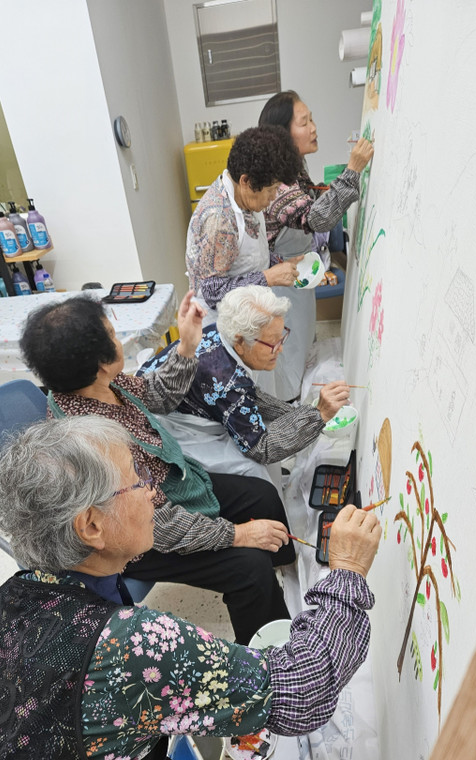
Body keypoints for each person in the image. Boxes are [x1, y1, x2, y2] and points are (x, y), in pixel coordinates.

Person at [0, 415, 381, 760]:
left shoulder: (6, 600)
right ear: (91, 525)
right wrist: (346, 570)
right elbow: (304, 689)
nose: (154, 494)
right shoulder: (135, 648)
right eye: (138, 481)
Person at [19, 291, 294, 645]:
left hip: (168, 488)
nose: (120, 341)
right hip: (134, 536)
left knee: (261, 494)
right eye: (114, 336)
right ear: (101, 362)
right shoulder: (92, 443)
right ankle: (269, 666)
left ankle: (286, 572)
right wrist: (237, 535)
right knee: (249, 570)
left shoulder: (102, 384)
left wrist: (187, 345)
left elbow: (159, 395)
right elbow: (159, 526)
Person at [139, 285, 350, 479]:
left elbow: (251, 395)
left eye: (281, 338)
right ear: (240, 341)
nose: (281, 349)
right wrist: (318, 415)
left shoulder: (221, 331)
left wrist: (295, 413)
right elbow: (261, 447)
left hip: (163, 397)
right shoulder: (226, 381)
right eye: (272, 343)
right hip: (162, 427)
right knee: (253, 472)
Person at [258, 91, 375, 399]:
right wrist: (353, 170)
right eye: (304, 122)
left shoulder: (294, 166)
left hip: (298, 275)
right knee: (286, 352)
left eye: (312, 119)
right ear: (284, 134)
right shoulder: (277, 181)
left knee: (300, 343)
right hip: (281, 281)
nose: (313, 127)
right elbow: (317, 219)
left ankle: (294, 394)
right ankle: (286, 405)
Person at [186, 125, 306, 401]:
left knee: (264, 394)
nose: (273, 197)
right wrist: (269, 277)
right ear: (245, 181)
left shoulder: (245, 200)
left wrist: (280, 263)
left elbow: (243, 258)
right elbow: (212, 291)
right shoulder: (220, 220)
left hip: (250, 319)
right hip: (226, 334)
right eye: (272, 189)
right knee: (244, 404)